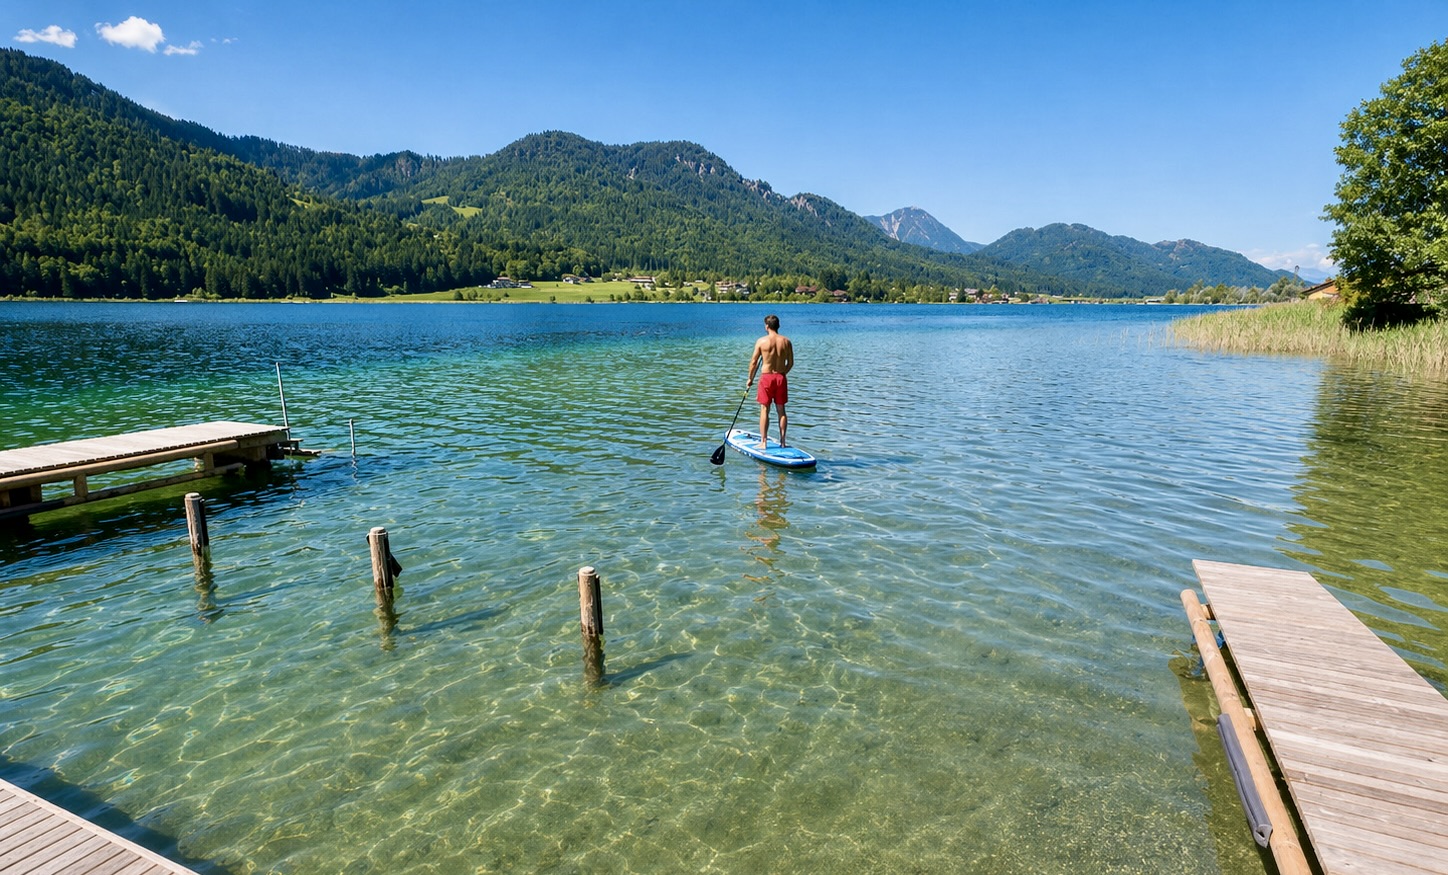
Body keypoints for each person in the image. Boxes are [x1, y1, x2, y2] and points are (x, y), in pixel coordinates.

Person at [747, 314, 794, 448]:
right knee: (781, 410)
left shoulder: (761, 341)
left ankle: (764, 442)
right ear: (778, 326)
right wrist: (782, 374)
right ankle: (783, 442)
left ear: (767, 326)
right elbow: (790, 363)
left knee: (764, 409)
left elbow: (753, 362)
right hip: (781, 377)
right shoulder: (786, 341)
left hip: (766, 377)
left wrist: (750, 379)